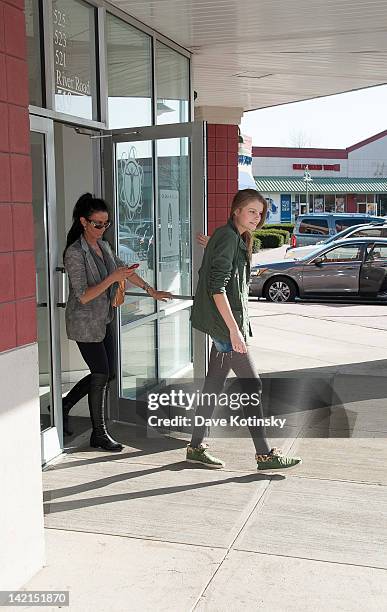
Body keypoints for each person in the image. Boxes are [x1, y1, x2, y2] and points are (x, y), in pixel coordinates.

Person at [187, 189, 302, 470]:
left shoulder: (229, 236)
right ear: (236, 210)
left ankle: (195, 446)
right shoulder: (228, 237)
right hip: (226, 326)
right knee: (253, 385)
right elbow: (217, 288)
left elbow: (220, 266)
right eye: (251, 211)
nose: (257, 217)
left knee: (213, 386)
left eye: (260, 213)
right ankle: (264, 455)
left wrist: (214, 244)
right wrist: (234, 332)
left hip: (224, 324)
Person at [63, 193, 172, 452]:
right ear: (83, 222)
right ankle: (99, 434)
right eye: (97, 224)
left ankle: (66, 404)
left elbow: (124, 270)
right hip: (84, 322)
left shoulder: (105, 246)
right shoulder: (75, 253)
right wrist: (113, 278)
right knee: (101, 373)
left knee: (108, 373)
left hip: (104, 319)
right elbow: (84, 295)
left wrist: (150, 290)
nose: (102, 229)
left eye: (106, 224)